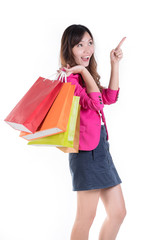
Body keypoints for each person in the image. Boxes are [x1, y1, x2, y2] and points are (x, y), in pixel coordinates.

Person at [59, 24, 126, 240]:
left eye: (90, 43)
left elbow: (110, 98)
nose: (87, 49)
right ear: (69, 49)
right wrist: (81, 72)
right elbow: (96, 104)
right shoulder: (69, 78)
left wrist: (114, 64)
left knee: (117, 212)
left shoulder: (83, 74)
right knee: (85, 217)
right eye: (80, 45)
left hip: (101, 149)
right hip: (86, 152)